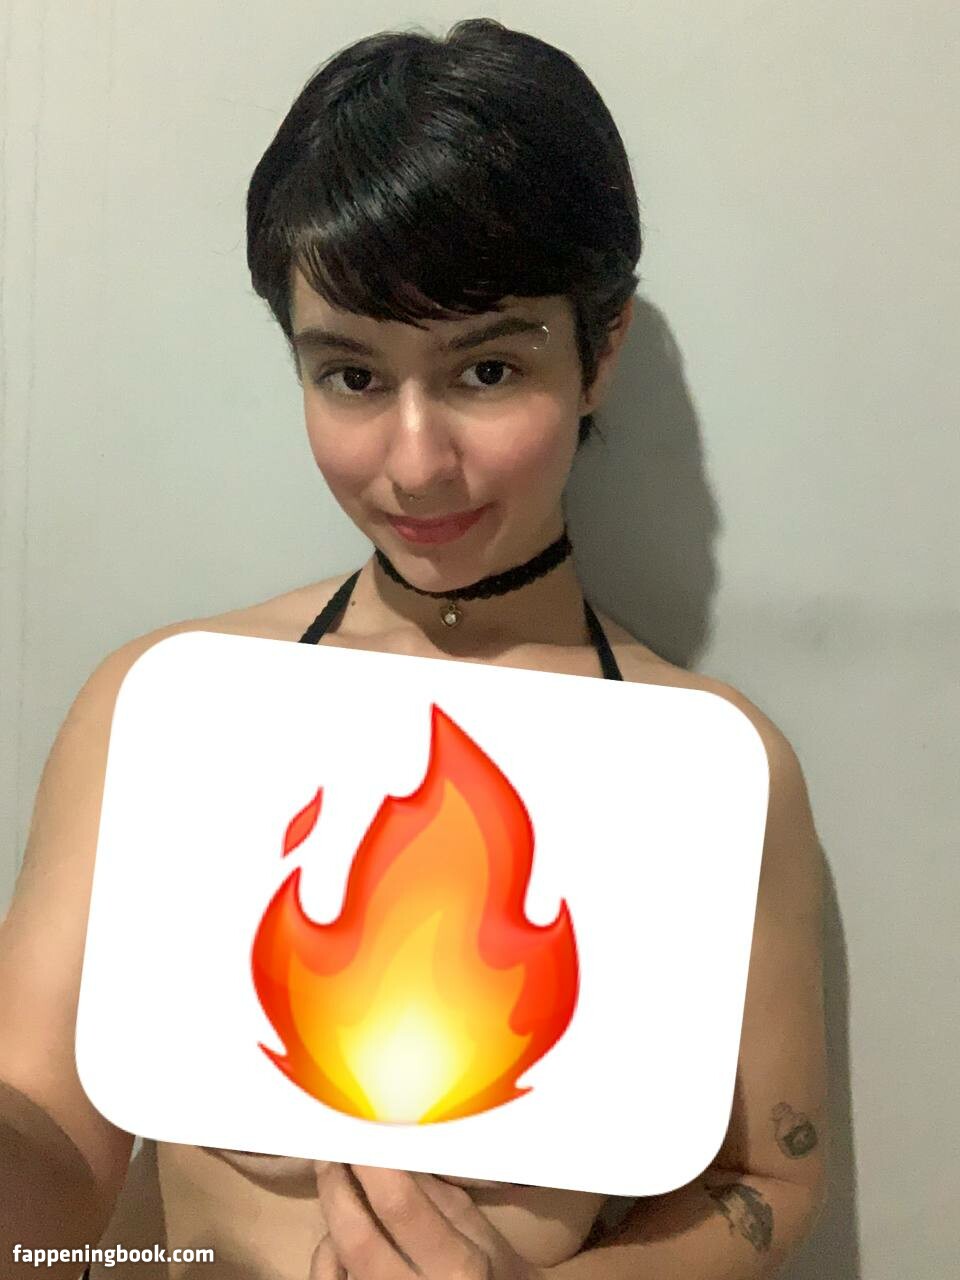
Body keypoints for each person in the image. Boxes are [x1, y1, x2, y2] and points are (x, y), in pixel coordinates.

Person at [0, 17, 828, 1280]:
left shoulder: (710, 768)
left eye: (486, 369)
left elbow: (769, 1176)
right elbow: (51, 1152)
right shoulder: (163, 715)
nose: (416, 461)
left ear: (599, 349)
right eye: (351, 377)